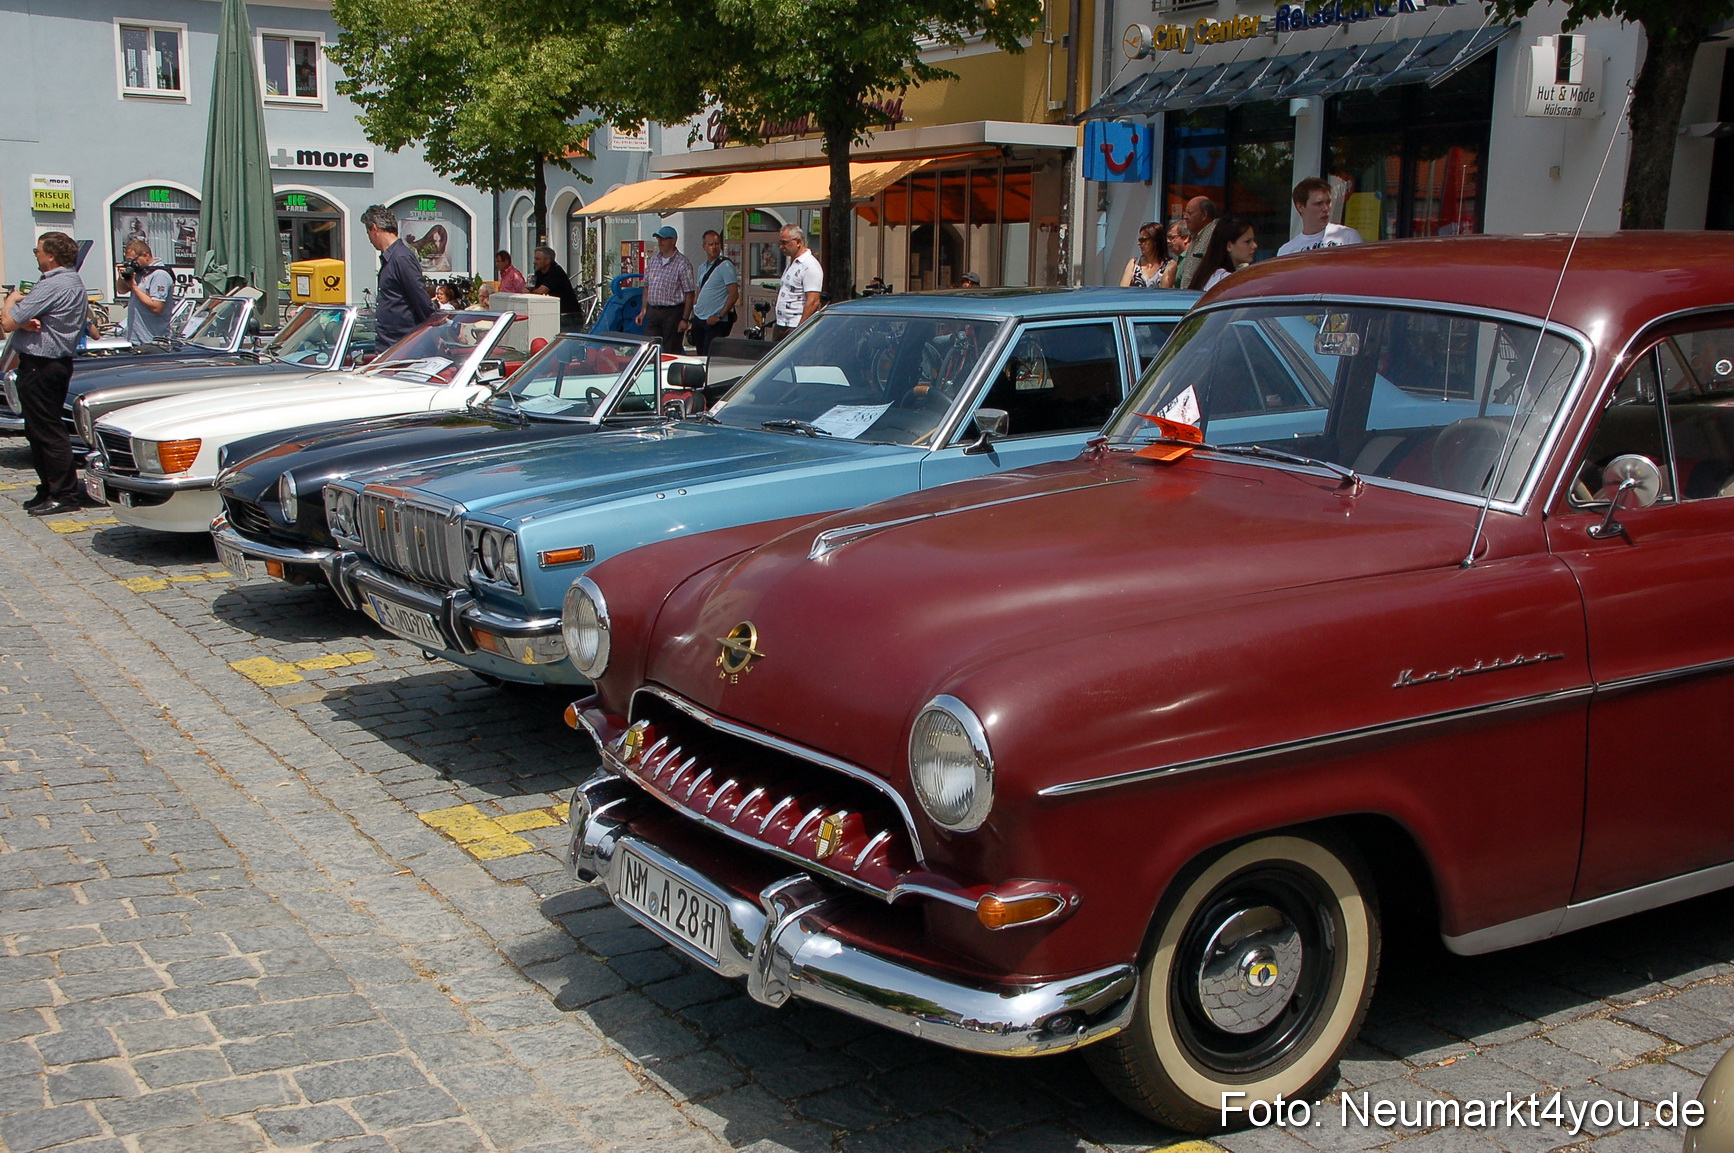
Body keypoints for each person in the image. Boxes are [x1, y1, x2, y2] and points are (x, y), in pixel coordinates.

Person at [1, 232, 98, 515]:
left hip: (43, 364)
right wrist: (23, 320)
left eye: (38, 250)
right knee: (37, 430)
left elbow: (8, 322)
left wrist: (11, 300)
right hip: (47, 363)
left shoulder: (54, 284)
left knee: (48, 431)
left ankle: (63, 493)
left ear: (51, 256)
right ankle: (48, 488)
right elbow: (25, 320)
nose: (36, 255)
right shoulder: (69, 282)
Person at [362, 204, 436, 352]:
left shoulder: (401, 258)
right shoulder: (391, 258)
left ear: (374, 228)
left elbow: (420, 298)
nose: (369, 239)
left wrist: (434, 332)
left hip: (403, 346)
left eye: (368, 232)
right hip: (390, 344)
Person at [636, 225, 696, 354]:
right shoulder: (654, 261)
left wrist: (685, 319)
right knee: (649, 349)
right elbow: (647, 287)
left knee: (671, 349)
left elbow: (689, 293)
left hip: (673, 312)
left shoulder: (682, 263)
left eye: (663, 239)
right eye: (658, 239)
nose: (660, 242)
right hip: (654, 310)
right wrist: (643, 311)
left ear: (673, 240)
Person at [1277, 176, 1364, 256]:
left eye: (1328, 202)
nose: (1325, 208)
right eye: (1318, 203)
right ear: (1301, 207)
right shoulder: (1287, 251)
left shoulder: (1348, 236)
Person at [690, 230, 739, 356]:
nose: (714, 247)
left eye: (717, 244)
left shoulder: (725, 265)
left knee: (710, 356)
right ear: (704, 246)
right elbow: (698, 292)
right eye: (710, 244)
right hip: (699, 317)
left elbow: (733, 294)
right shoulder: (702, 267)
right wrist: (693, 316)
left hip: (714, 321)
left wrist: (720, 316)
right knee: (700, 356)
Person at [116, 239, 175, 345]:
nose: (132, 264)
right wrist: (123, 276)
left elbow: (157, 307)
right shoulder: (142, 272)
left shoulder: (159, 275)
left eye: (133, 260)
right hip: (135, 339)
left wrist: (133, 287)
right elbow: (121, 290)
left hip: (152, 340)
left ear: (145, 255)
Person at [772, 225, 822, 342]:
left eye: (785, 243)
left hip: (795, 326)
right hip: (782, 324)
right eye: (780, 243)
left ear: (798, 242)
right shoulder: (792, 262)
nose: (781, 247)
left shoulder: (810, 265)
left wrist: (800, 329)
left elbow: (813, 301)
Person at [1187, 215, 1257, 292]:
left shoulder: (1209, 275)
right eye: (1248, 241)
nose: (1254, 245)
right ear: (1229, 246)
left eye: (1253, 240)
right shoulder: (1226, 281)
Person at [1175, 197, 1219, 293]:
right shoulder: (1195, 236)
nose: (1185, 217)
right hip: (1188, 296)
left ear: (1204, 215)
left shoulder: (1215, 235)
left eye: (1189, 213)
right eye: (1185, 213)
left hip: (1203, 296)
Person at [530, 246, 582, 322]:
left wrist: (529, 292)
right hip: (555, 314)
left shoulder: (556, 271)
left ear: (547, 260)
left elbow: (541, 291)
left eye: (537, 259)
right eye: (535, 259)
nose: (534, 262)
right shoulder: (539, 272)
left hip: (569, 317)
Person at [1119, 222, 1168, 289]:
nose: (1139, 243)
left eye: (1143, 240)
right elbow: (1123, 289)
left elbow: (1164, 292)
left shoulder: (1168, 265)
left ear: (1155, 241)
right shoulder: (1133, 263)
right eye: (1139, 240)